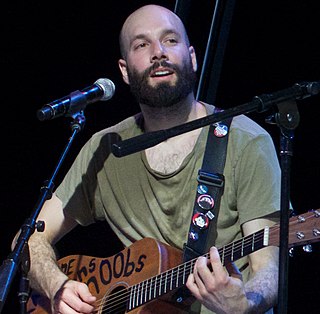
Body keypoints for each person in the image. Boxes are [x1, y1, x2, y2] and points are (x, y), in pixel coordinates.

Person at [13, 4, 280, 314]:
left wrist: (246, 302)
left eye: (170, 40)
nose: (158, 53)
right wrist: (56, 286)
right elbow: (29, 239)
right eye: (142, 44)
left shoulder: (246, 141)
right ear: (124, 70)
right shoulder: (106, 148)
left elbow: (269, 270)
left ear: (191, 57)